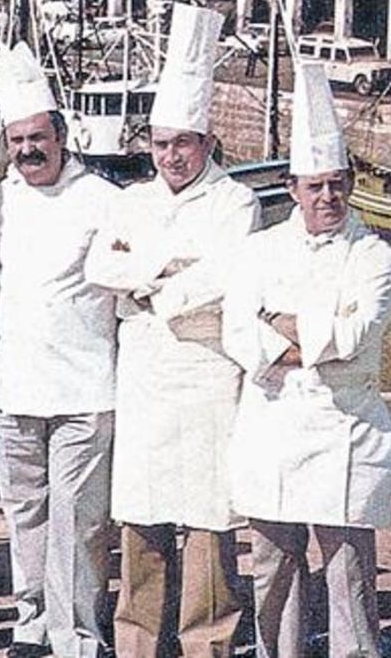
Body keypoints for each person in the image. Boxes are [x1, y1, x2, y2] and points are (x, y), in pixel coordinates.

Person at [83, 4, 260, 657]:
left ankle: (207, 643)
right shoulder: (132, 199)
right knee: (142, 519)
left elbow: (226, 273)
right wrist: (168, 268)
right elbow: (103, 264)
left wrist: (147, 278)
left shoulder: (236, 202)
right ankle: (136, 642)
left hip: (208, 375)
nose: (171, 156)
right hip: (146, 375)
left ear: (207, 143)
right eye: (160, 144)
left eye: (183, 143)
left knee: (210, 523)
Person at [222, 63, 391, 657]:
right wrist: (307, 337)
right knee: (273, 569)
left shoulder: (372, 254)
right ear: (293, 187)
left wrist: (282, 325)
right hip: (272, 431)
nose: (327, 196)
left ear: (348, 181)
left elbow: (359, 333)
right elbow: (238, 335)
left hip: (344, 433)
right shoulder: (258, 250)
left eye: (336, 183)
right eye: (314, 185)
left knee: (348, 573)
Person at [0, 43, 118, 658]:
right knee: (25, 517)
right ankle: (31, 626)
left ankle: (80, 639)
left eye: (38, 137)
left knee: (77, 524)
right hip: (12, 387)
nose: (29, 150)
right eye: (17, 140)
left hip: (84, 389)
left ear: (62, 136)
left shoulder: (104, 199)